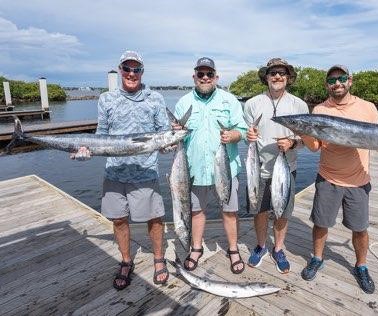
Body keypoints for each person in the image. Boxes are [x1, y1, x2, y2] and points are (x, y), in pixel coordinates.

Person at [299, 65, 378, 293]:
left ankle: (361, 265)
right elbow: (315, 147)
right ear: (326, 85)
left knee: (360, 229)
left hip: (358, 180)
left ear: (350, 81)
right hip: (327, 178)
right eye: (332, 80)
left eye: (342, 78)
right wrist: (303, 132)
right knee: (320, 224)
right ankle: (317, 259)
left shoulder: (367, 107)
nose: (337, 83)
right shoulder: (319, 110)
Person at [71, 50, 171, 290]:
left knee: (155, 219)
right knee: (118, 220)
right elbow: (101, 136)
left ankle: (158, 258)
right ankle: (126, 261)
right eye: (127, 68)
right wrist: (88, 151)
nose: (131, 73)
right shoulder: (106, 99)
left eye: (136, 69)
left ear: (142, 72)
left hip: (146, 173)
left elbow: (164, 136)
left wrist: (170, 144)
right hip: (114, 173)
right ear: (119, 71)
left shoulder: (155, 99)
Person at [173, 57, 248, 274]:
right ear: (194, 77)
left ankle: (233, 249)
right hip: (193, 171)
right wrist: (175, 132)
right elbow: (176, 136)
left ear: (216, 77)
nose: (205, 78)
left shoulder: (229, 100)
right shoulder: (183, 103)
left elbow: (242, 130)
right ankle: (196, 248)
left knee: (230, 211)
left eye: (209, 74)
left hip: (227, 169)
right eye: (200, 74)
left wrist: (233, 135)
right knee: (196, 211)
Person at [243, 58, 309, 273]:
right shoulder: (253, 103)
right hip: (259, 169)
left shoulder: (299, 104)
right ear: (267, 77)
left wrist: (292, 143)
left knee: (283, 212)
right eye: (273, 73)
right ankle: (261, 246)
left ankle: (278, 248)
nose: (277, 76)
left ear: (288, 77)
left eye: (282, 73)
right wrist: (248, 135)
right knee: (259, 211)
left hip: (286, 168)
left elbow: (306, 138)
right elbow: (246, 133)